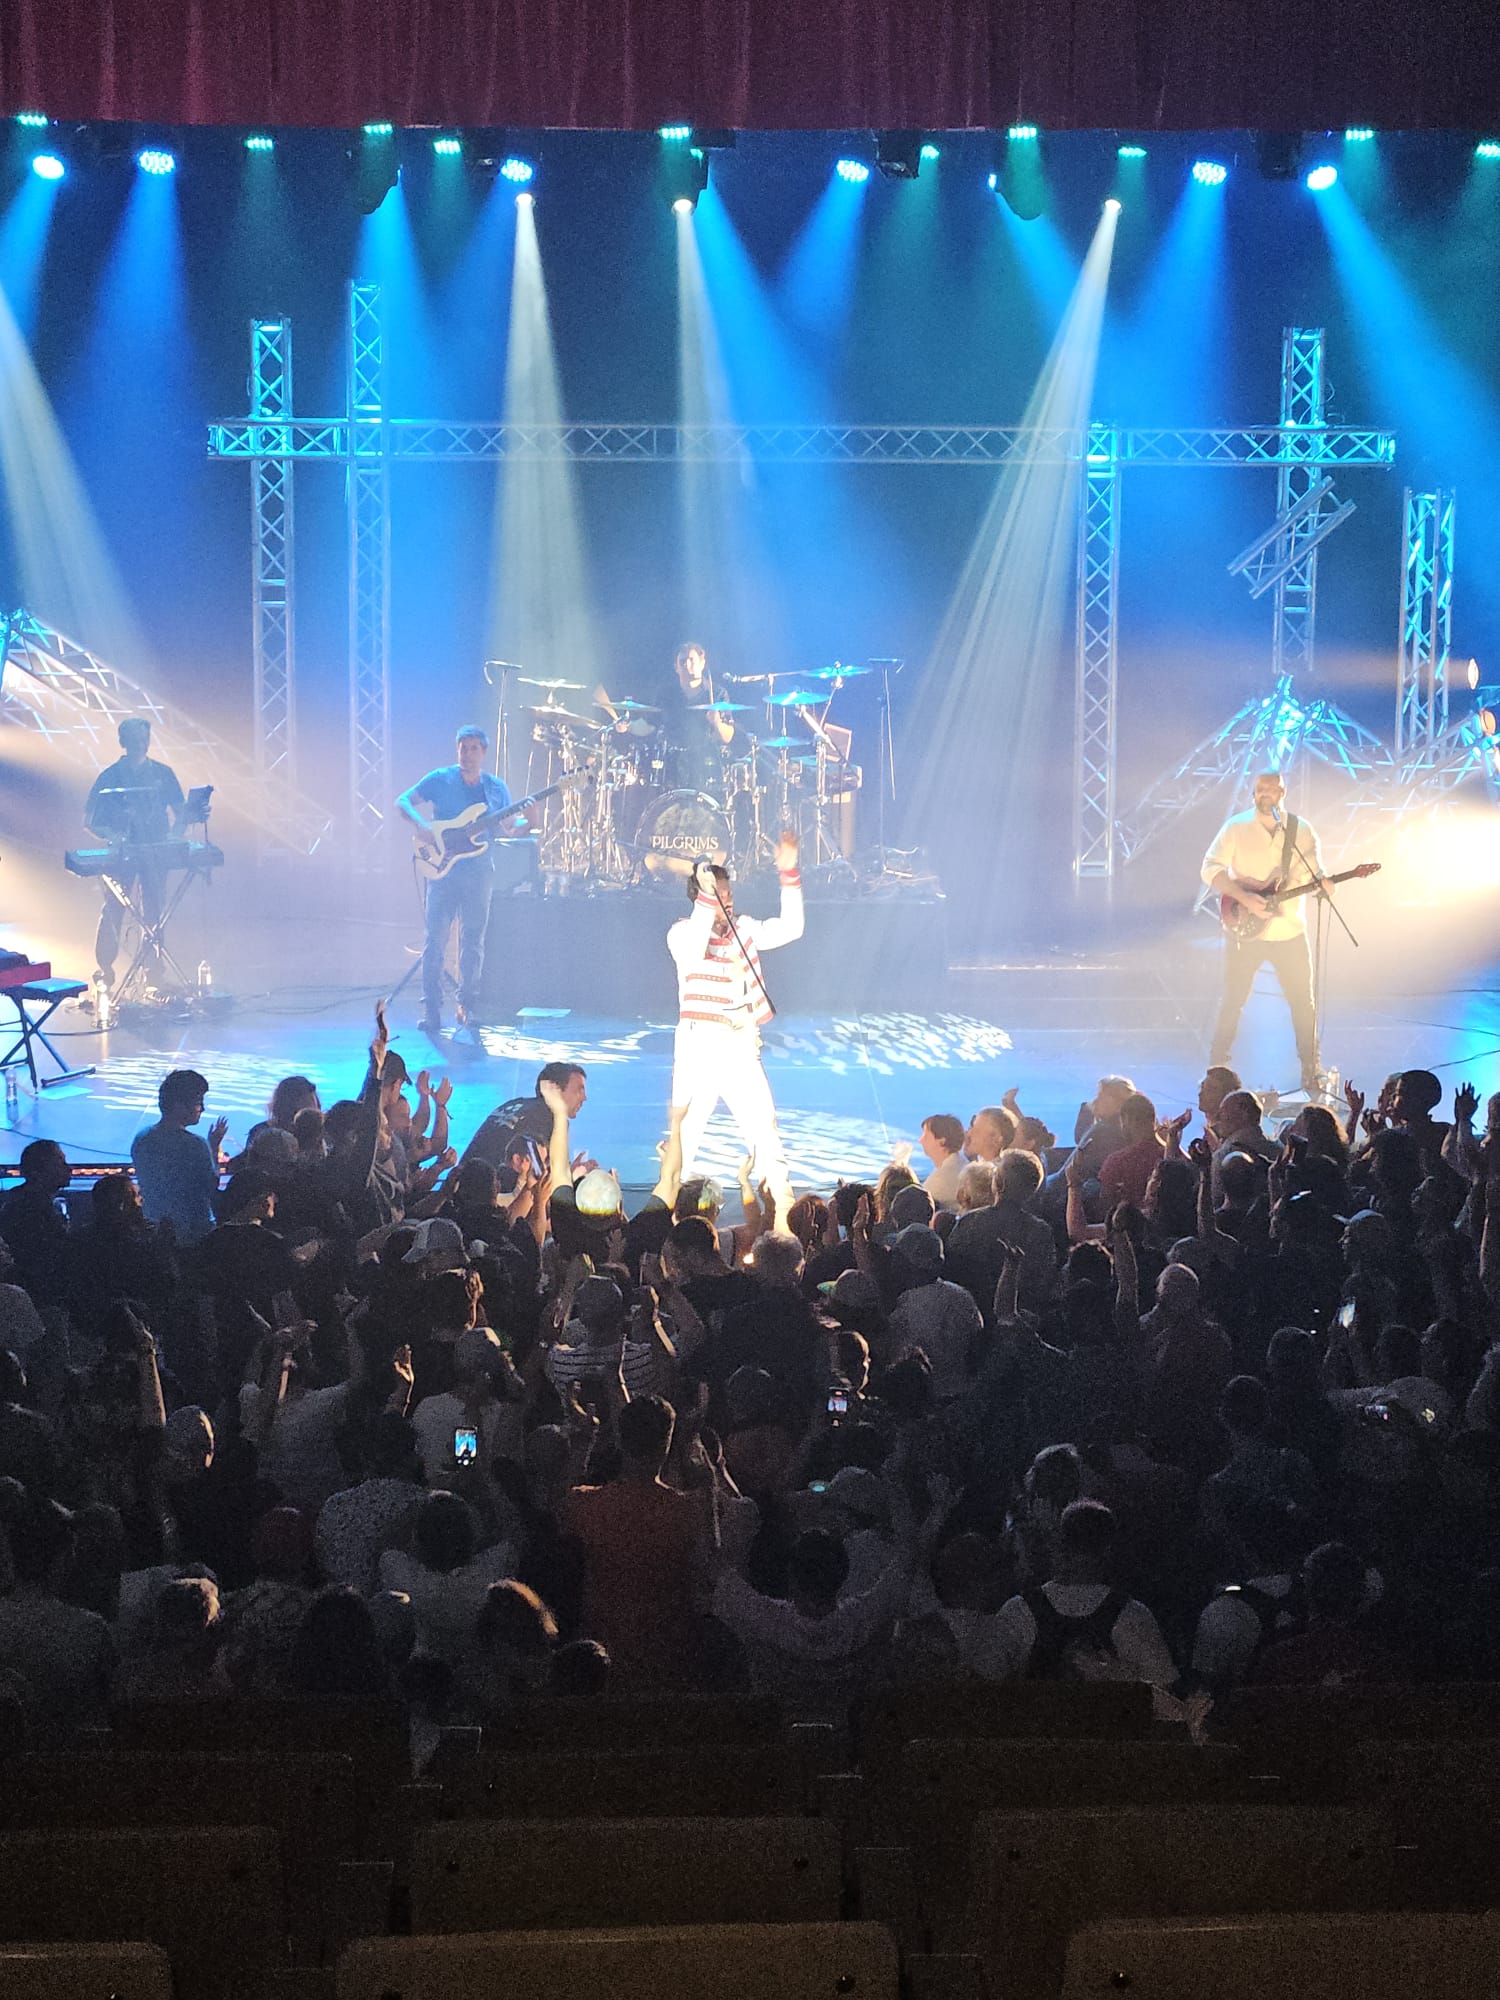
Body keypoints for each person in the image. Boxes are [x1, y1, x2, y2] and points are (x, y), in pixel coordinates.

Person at [669, 837, 803, 1220]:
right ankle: (672, 1218)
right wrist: (706, 896)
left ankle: (785, 1216)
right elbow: (696, 946)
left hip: (740, 1045)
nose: (726, 901)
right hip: (699, 1046)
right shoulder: (682, 934)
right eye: (718, 894)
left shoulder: (745, 929)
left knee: (764, 1130)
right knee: (686, 1135)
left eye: (728, 894)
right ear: (700, 897)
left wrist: (789, 874)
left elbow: (791, 928)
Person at [1201, 770, 1326, 1092]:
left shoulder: (1300, 830)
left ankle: (1311, 1067)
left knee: (1303, 1002)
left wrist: (1324, 885)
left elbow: (1314, 873)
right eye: (1260, 788)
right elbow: (1210, 869)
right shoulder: (1236, 827)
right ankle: (1216, 1066)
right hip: (1245, 932)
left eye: (1272, 788)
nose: (1265, 793)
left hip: (1289, 931)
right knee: (1233, 1000)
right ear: (1253, 792)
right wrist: (1245, 898)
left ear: (1283, 792)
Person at [397, 723, 516, 1037]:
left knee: (473, 942)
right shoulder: (441, 778)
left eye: (474, 748)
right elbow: (403, 801)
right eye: (463, 748)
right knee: (435, 940)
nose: (468, 754)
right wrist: (422, 826)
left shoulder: (495, 788)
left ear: (484, 752)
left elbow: (508, 829)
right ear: (457, 750)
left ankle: (467, 1005)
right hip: (443, 872)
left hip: (479, 871)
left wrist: (527, 820)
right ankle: (431, 1008)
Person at [83, 716, 186, 984]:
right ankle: (105, 968)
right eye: (135, 739)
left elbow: (182, 812)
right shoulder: (109, 776)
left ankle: (153, 971)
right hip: (123, 854)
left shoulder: (163, 773)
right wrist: (113, 836)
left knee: (154, 909)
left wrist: (174, 837)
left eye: (144, 738)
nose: (141, 743)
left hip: (156, 853)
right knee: (114, 908)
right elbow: (90, 820)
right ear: (123, 741)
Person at [130, 1070, 227, 1246]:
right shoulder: (195, 1144)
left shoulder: (142, 1138)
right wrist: (213, 1147)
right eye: (198, 1102)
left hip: (153, 1228)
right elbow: (210, 1186)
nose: (202, 1108)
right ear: (179, 1106)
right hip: (193, 1233)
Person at [462, 1062, 588, 1172]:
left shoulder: (513, 1105)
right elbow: (541, 1178)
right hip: (492, 1189)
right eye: (578, 1091)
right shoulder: (551, 1118)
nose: (584, 1098)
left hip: (459, 1182)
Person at [663, 641, 736, 792]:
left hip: (707, 765)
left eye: (692, 660)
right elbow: (648, 725)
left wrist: (717, 723)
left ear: (702, 664)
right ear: (676, 667)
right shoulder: (666, 694)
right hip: (672, 766)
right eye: (682, 661)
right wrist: (626, 726)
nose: (687, 665)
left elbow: (727, 736)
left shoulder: (717, 693)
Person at [918, 1115, 967, 1209]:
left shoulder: (940, 1179)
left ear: (942, 1142)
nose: (920, 1140)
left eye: (926, 1136)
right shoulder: (961, 1161)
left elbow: (916, 1201)